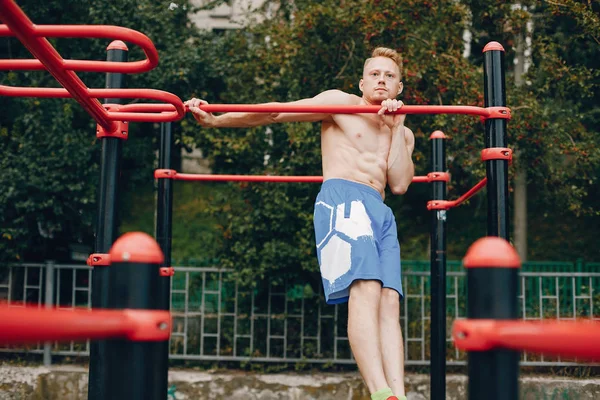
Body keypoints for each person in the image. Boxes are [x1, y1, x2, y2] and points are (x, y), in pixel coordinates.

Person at [185, 47, 415, 400]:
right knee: (366, 288)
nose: (381, 80)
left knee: (390, 301)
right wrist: (217, 118)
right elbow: (278, 111)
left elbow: (398, 183)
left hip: (380, 209)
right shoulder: (341, 103)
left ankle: (400, 394)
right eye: (374, 74)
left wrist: (397, 126)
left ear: (399, 87)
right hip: (344, 198)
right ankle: (380, 392)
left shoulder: (404, 131)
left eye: (389, 76)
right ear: (362, 81)